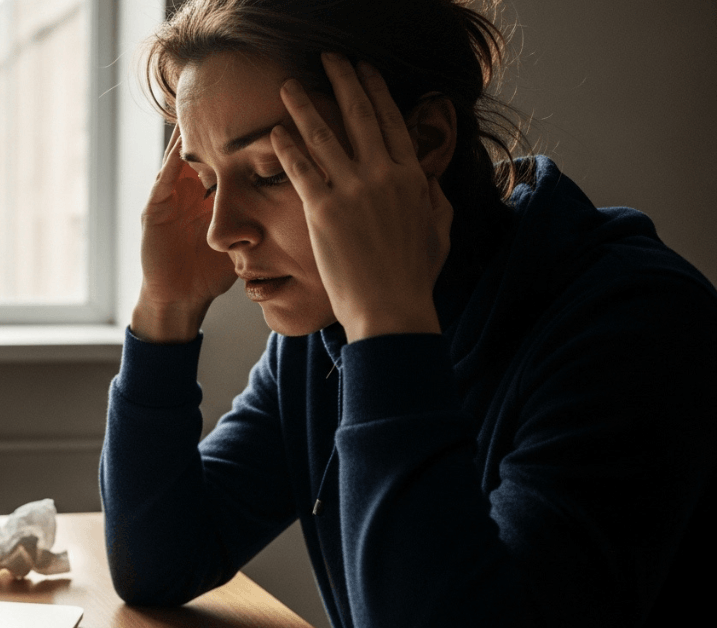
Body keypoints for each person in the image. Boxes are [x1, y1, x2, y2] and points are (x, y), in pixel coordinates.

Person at [99, 1, 717, 626]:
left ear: (425, 141)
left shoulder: (637, 324)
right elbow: (158, 561)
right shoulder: (327, 332)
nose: (219, 230)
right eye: (207, 182)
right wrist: (165, 308)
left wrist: (388, 326)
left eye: (269, 172)